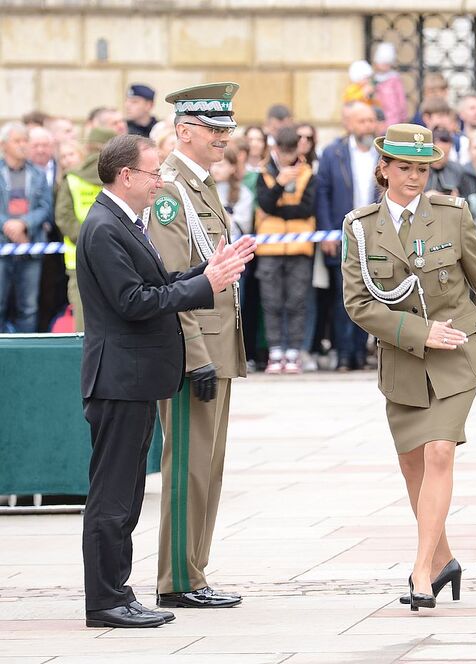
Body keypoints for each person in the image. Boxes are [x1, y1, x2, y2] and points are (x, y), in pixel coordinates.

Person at [340, 123, 476, 610]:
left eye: (422, 169)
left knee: (439, 454)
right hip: (403, 361)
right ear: (383, 168)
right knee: (412, 466)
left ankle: (421, 571)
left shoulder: (451, 214)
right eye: (404, 168)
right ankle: (446, 558)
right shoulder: (360, 227)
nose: (414, 178)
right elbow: (358, 303)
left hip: (458, 352)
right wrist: (417, 332)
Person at [77, 133, 253, 629]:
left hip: (134, 379)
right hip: (118, 379)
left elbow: (155, 285)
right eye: (153, 173)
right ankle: (105, 600)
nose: (159, 182)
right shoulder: (104, 228)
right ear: (125, 175)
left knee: (127, 495)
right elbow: (133, 301)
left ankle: (119, 592)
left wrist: (206, 271)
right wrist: (203, 287)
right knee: (112, 497)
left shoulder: (124, 223)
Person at [146, 82, 248, 609]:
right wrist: (196, 354)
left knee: (208, 466)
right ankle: (178, 580)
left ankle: (194, 573)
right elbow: (173, 281)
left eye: (225, 129)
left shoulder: (201, 185)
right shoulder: (169, 190)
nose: (223, 138)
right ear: (184, 130)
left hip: (216, 345)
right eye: (214, 129)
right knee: (188, 464)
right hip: (193, 351)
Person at [315, 102, 379, 372]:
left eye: (371, 120)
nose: (368, 126)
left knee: (371, 295)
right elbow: (323, 194)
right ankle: (344, 353)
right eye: (361, 121)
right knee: (344, 297)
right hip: (343, 235)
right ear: (349, 124)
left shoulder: (382, 153)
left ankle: (360, 353)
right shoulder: (334, 153)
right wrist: (327, 231)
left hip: (376, 234)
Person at [254, 125, 317, 374]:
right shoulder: (264, 173)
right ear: (276, 148)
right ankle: (275, 351)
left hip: (299, 247)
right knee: (271, 302)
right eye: (284, 151)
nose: (288, 157)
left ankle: (293, 351)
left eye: (292, 152)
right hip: (269, 247)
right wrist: (279, 184)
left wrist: (277, 209)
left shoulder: (307, 173)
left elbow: (306, 208)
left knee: (297, 301)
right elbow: (265, 202)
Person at [54, 127, 116, 331]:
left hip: (78, 258)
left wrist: (87, 239)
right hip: (116, 255)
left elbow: (63, 217)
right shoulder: (119, 177)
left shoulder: (72, 177)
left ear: (87, 148)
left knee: (83, 321)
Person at [0, 121, 52, 333]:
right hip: (2, 249)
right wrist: (8, 226)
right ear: (4, 145)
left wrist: (24, 224)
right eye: (17, 141)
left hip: (31, 246)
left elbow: (46, 208)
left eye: (25, 140)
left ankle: (24, 357)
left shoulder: (38, 174)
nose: (23, 145)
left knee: (28, 308)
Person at [372, 42, 408, 125]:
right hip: (377, 120)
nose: (384, 65)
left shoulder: (395, 79)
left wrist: (403, 117)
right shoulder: (373, 79)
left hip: (393, 119)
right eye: (382, 63)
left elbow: (401, 100)